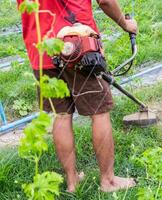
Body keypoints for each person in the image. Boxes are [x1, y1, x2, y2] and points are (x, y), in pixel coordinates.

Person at [17, 0, 137, 193]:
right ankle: (108, 181)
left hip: (41, 49)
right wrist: (125, 23)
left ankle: (73, 182)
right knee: (99, 112)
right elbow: (105, 1)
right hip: (78, 46)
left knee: (62, 115)